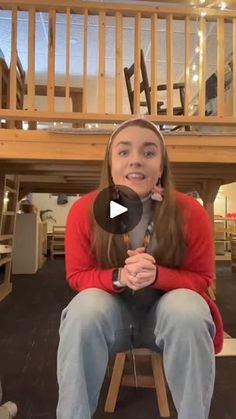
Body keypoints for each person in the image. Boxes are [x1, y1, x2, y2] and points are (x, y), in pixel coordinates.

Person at [57, 117, 223, 419]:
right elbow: (77, 275)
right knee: (82, 310)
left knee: (189, 308)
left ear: (161, 166)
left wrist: (158, 276)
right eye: (124, 152)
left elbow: (203, 279)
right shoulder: (85, 210)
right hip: (114, 317)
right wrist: (119, 276)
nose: (136, 160)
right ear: (110, 164)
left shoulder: (189, 212)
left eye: (148, 153)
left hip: (165, 317)